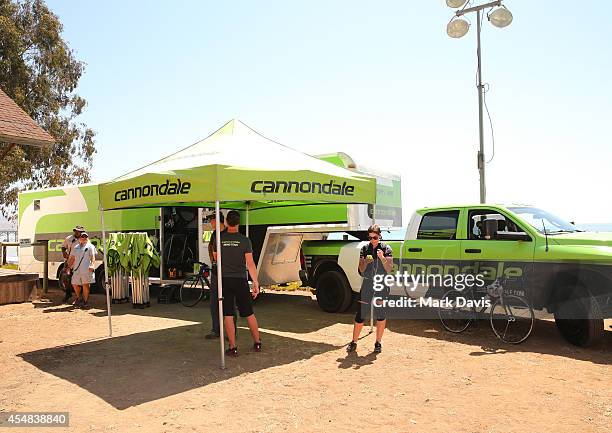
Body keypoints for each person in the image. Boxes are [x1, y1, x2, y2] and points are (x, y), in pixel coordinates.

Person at [213, 210, 261, 356]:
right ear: (238, 223)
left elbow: (216, 258)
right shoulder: (245, 240)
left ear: (226, 222)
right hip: (240, 280)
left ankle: (233, 347)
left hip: (225, 280)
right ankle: (257, 343)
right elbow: (250, 263)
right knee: (249, 313)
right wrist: (255, 282)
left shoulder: (219, 239)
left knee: (228, 314)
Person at [347, 224, 393, 354]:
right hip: (367, 283)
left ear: (379, 236)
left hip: (381, 284)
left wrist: (382, 258)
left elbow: (389, 269)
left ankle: (378, 342)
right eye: (370, 237)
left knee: (381, 313)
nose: (373, 240)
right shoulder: (364, 248)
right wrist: (365, 262)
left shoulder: (386, 248)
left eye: (375, 237)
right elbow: (361, 270)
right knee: (361, 314)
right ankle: (354, 342)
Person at [205, 212, 237, 339]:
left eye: (212, 221)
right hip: (215, 272)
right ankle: (216, 330)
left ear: (219, 221)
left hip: (228, 273)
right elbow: (212, 252)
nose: (210, 224)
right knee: (214, 302)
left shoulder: (228, 234)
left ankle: (232, 332)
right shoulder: (214, 234)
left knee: (229, 301)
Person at [68, 232, 97, 309]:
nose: (84, 238)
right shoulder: (76, 247)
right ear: (79, 238)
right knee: (74, 283)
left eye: (85, 237)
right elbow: (73, 258)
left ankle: (85, 301)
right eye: (82, 237)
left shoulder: (90, 246)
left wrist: (92, 265)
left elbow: (93, 257)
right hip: (77, 269)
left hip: (86, 269)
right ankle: (79, 297)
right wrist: (68, 267)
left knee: (85, 285)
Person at [61, 225, 84, 303]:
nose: (79, 233)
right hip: (69, 262)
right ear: (74, 231)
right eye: (77, 231)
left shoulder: (84, 239)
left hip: (79, 262)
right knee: (66, 278)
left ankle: (79, 297)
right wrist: (64, 252)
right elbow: (63, 247)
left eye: (80, 231)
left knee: (79, 280)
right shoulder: (69, 238)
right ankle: (68, 293)